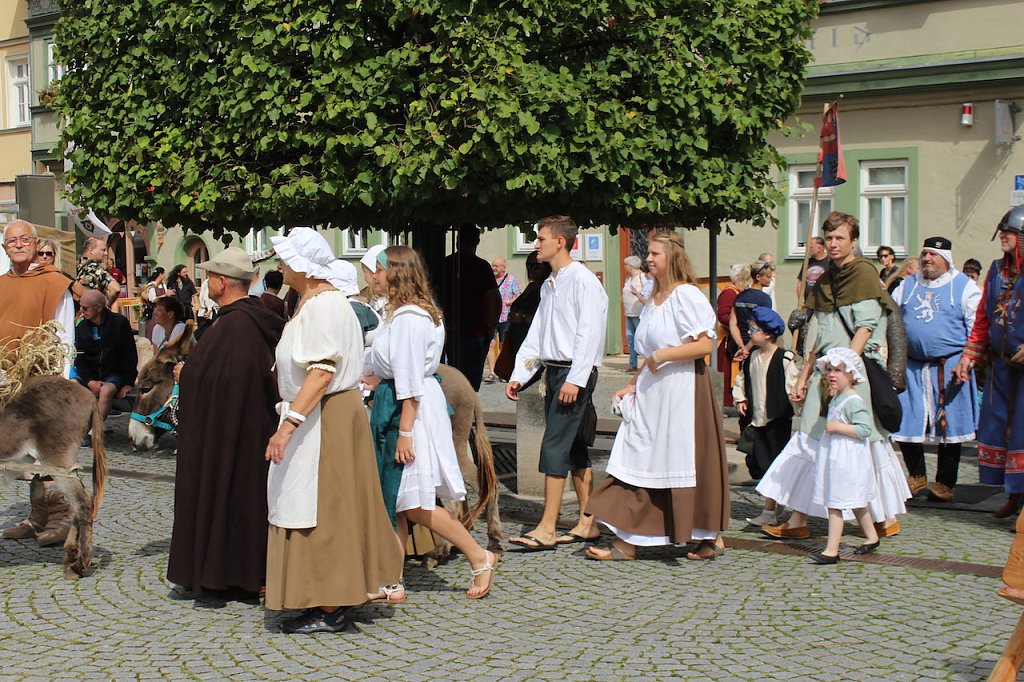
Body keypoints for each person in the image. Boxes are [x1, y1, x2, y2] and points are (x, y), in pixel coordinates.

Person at [263, 228, 402, 634]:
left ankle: (330, 605)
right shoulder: (319, 302)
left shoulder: (324, 307)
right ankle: (328, 595)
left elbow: (321, 372)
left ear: (305, 266)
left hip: (324, 417)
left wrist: (289, 426)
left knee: (324, 509)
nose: (280, 265)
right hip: (323, 414)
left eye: (286, 259)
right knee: (321, 505)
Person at [758, 212, 910, 541]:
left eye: (840, 237)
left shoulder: (863, 274)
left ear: (853, 241)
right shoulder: (826, 279)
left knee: (856, 445)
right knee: (814, 441)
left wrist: (844, 373)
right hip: (826, 373)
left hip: (850, 375)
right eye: (829, 238)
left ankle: (881, 516)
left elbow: (865, 328)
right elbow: (821, 336)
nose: (833, 244)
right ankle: (801, 519)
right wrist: (804, 375)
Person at [584, 231, 729, 561]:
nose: (648, 259)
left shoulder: (686, 295)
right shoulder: (652, 298)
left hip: (681, 391)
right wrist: (633, 384)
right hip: (653, 392)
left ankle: (706, 534)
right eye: (648, 254)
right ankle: (629, 539)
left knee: (677, 461)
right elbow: (649, 353)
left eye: (655, 254)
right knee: (639, 458)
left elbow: (704, 345)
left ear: (672, 257)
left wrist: (662, 356)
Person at [366, 245, 498, 600]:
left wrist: (405, 431)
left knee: (413, 502)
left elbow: (410, 378)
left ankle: (478, 555)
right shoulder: (407, 314)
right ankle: (391, 579)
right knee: (397, 499)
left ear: (396, 273)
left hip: (408, 411)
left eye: (379, 270)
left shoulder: (410, 318)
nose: (375, 276)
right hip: (402, 404)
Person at [168, 247, 284, 598]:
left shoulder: (235, 325)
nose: (205, 283)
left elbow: (223, 377)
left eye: (209, 277)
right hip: (246, 426)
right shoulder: (246, 320)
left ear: (221, 281)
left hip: (233, 430)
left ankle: (229, 573)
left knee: (232, 497)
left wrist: (186, 375)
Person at [506, 215, 609, 550]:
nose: (536, 244)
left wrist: (576, 379)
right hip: (554, 372)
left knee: (553, 446)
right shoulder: (550, 283)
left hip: (572, 374)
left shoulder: (582, 281)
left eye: (541, 238)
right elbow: (538, 334)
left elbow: (589, 333)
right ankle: (588, 522)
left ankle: (548, 527)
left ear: (560, 242)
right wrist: (520, 375)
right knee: (575, 447)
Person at [0, 219, 77, 546]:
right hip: (8, 382)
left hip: (42, 381)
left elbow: (64, 336)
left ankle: (63, 517)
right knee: (22, 453)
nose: (18, 244)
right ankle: (37, 516)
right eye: (11, 241)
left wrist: (57, 385)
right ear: (5, 247)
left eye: (24, 239)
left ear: (34, 243)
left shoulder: (54, 283)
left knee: (44, 450)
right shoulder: (1, 285)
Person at [891, 237, 980, 502]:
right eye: (925, 254)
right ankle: (917, 475)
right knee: (907, 417)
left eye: (933, 255)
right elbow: (890, 317)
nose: (927, 259)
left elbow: (976, 325)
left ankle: (945, 483)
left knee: (949, 424)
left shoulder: (964, 286)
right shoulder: (907, 285)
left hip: (950, 363)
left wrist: (969, 358)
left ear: (946, 259)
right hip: (911, 364)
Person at [956, 205, 1024, 518]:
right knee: (1000, 429)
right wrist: (970, 354)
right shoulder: (997, 270)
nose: (1002, 237)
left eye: (1009, 232)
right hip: (1001, 367)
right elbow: (984, 317)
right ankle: (1013, 495)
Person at [808, 348, 881, 565]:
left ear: (851, 374)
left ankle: (831, 550)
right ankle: (872, 537)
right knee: (856, 502)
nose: (832, 374)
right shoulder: (837, 398)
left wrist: (837, 427)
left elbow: (864, 429)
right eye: (829, 370)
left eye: (838, 370)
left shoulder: (852, 401)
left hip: (847, 460)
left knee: (835, 503)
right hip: (837, 456)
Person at [733, 306, 799, 491]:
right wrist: (740, 398)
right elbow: (742, 380)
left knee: (775, 462)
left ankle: (773, 499)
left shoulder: (784, 359)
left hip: (776, 420)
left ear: (768, 334)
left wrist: (797, 403)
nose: (749, 332)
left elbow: (792, 385)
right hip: (755, 419)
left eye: (753, 329)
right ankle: (769, 496)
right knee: (756, 463)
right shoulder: (752, 357)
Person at [441, 224, 501, 390]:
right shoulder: (482, 266)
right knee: (471, 381)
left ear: (457, 241)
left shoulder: (446, 264)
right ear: (477, 241)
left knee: (453, 376)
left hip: (450, 329)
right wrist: (492, 327)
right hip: (475, 331)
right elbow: (495, 299)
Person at [73, 289, 138, 424]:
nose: (82, 311)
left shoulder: (119, 323)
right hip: (91, 373)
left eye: (85, 308)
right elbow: (79, 357)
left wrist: (128, 383)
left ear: (99, 308)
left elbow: (130, 354)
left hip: (114, 373)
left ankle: (95, 430)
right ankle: (80, 427)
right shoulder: (82, 327)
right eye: (80, 307)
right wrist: (90, 381)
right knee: (71, 386)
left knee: (106, 390)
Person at [493, 251, 552, 381]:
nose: (531, 269)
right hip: (517, 338)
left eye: (536, 266)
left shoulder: (546, 288)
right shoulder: (532, 286)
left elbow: (545, 318)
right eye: (529, 265)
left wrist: (521, 318)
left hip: (532, 345)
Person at [717, 263, 749, 408]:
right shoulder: (729, 293)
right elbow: (723, 315)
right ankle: (725, 404)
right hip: (727, 338)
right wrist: (739, 323)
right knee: (726, 371)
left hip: (736, 336)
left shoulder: (738, 292)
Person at [485, 256, 522, 383]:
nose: (493, 268)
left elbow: (518, 294)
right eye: (493, 265)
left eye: (496, 266)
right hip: (491, 317)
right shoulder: (489, 280)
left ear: (503, 267)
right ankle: (492, 372)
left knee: (503, 345)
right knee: (490, 344)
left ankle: (503, 371)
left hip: (505, 316)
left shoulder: (511, 280)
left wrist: (510, 302)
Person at [729, 259, 774, 361]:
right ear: (758, 277)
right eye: (768, 277)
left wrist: (741, 346)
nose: (770, 279)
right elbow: (762, 326)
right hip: (757, 345)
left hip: (741, 342)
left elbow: (733, 324)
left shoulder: (739, 297)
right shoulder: (765, 299)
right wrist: (747, 348)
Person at [621, 255, 648, 371]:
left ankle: (648, 362)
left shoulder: (642, 277)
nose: (624, 267)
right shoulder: (628, 278)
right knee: (630, 338)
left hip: (639, 313)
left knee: (641, 338)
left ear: (631, 266)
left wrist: (637, 293)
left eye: (626, 265)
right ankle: (632, 364)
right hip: (629, 312)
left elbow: (648, 292)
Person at [75, 235, 121, 305]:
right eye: (103, 250)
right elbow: (116, 289)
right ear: (91, 251)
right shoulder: (94, 268)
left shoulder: (75, 266)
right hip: (94, 309)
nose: (106, 253)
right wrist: (106, 305)